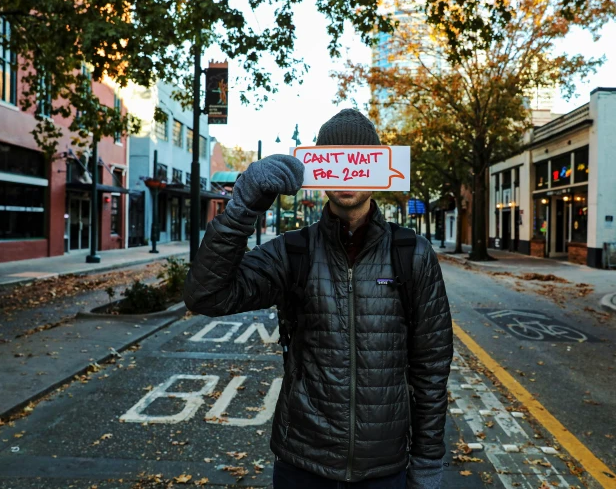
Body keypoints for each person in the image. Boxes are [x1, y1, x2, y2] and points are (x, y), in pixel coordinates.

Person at [184, 109, 453, 489]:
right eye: (335, 158)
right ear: (319, 167)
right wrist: (242, 209)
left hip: (385, 469)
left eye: (358, 159)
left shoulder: (414, 254)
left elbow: (431, 366)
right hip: (302, 464)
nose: (347, 171)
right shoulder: (293, 251)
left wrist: (427, 459)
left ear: (377, 169)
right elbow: (206, 295)